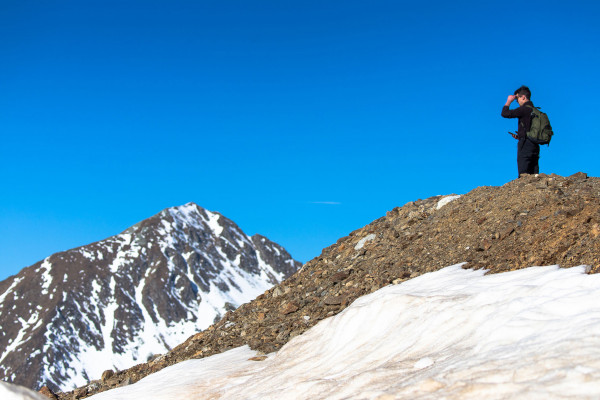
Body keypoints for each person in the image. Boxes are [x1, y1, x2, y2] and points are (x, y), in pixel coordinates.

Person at [501, 85, 540, 177]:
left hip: (525, 144)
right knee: (534, 174)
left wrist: (508, 101)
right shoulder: (536, 111)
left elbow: (505, 113)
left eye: (517, 99)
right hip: (535, 144)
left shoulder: (524, 109)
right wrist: (520, 136)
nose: (517, 101)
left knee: (524, 174)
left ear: (523, 97)